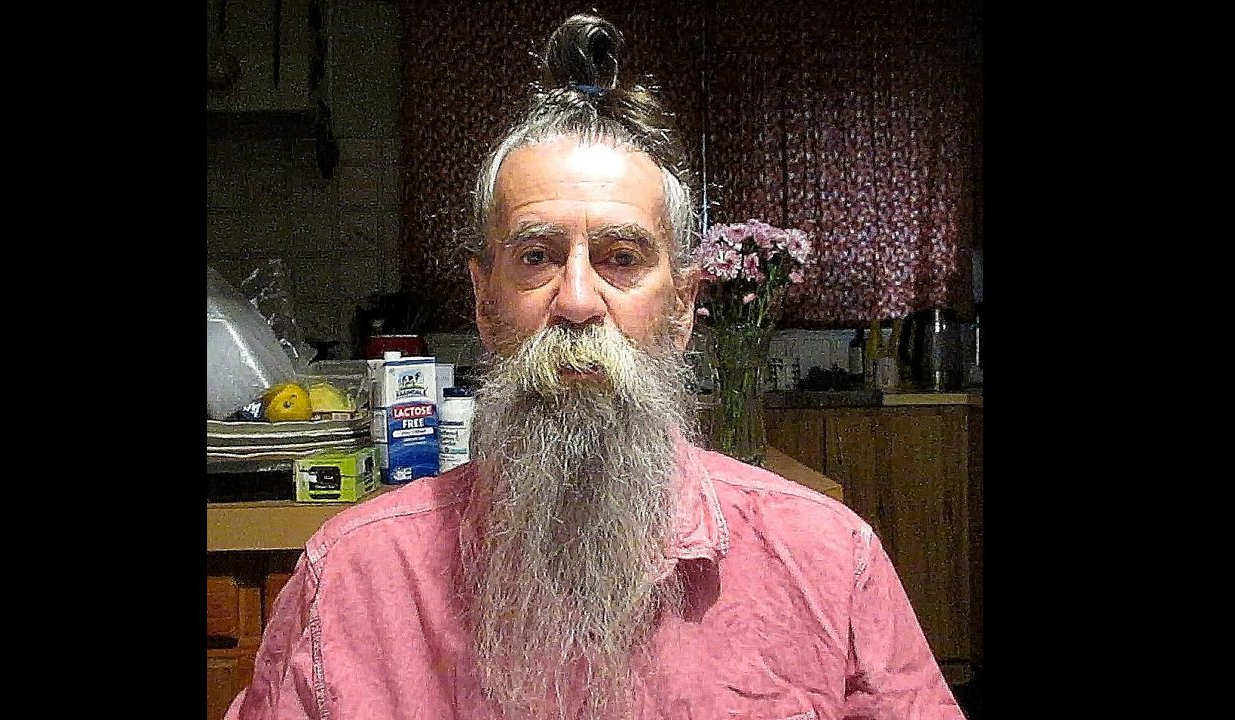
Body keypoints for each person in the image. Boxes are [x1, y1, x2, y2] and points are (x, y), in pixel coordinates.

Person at [225, 13, 965, 720]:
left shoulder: (829, 563)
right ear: (484, 301)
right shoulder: (352, 582)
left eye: (622, 258)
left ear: (682, 306)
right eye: (536, 256)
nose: (577, 300)